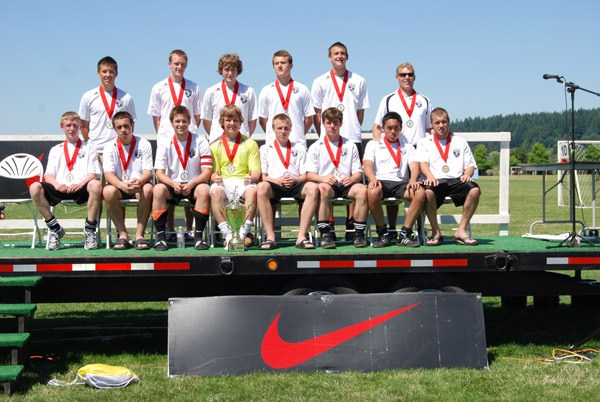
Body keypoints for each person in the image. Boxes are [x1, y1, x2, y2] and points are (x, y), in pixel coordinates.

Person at [311, 42, 369, 240]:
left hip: (351, 135)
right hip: (327, 138)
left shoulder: (359, 80)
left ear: (347, 57)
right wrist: (328, 128)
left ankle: (353, 228)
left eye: (343, 53)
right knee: (328, 184)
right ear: (329, 57)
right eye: (336, 53)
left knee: (351, 181)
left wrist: (349, 126)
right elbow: (318, 113)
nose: (339, 56)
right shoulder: (320, 81)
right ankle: (330, 228)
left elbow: (360, 112)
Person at [372, 62, 432, 240]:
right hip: (394, 147)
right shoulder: (388, 99)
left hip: (417, 152)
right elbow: (377, 126)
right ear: (396, 77)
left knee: (418, 190)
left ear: (414, 76)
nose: (407, 77)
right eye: (403, 74)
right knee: (393, 185)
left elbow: (430, 128)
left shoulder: (424, 100)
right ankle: (391, 230)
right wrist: (378, 145)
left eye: (410, 74)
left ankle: (418, 231)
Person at [148, 49, 202, 241]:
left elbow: (197, 116)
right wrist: (166, 135)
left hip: (188, 141)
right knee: (169, 186)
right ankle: (168, 230)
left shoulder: (194, 87)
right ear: (169, 64)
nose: (179, 67)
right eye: (176, 64)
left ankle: (190, 229)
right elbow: (157, 117)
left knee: (189, 182)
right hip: (168, 141)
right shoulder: (158, 87)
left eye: (183, 64)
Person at [29, 112, 102, 250]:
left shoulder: (89, 147)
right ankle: (54, 227)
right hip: (60, 188)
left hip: (81, 188)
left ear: (80, 126)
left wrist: (79, 184)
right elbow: (48, 175)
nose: (72, 129)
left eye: (75, 125)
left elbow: (94, 174)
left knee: (96, 185)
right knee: (34, 187)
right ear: (61, 127)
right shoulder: (56, 149)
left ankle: (90, 229)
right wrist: (57, 185)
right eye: (68, 125)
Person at [151, 105, 213, 251]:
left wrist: (192, 183)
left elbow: (207, 171)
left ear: (189, 122)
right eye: (177, 121)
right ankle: (161, 238)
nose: (181, 125)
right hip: (173, 184)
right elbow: (159, 173)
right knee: (158, 189)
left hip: (194, 184)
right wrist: (173, 183)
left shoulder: (201, 141)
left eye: (184, 121)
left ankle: (198, 237)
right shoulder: (164, 142)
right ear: (171, 122)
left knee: (205, 189)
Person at [416, 107, 480, 246]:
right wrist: (430, 176)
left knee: (474, 190)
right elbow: (423, 164)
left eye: (444, 122)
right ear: (431, 124)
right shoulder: (424, 142)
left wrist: (467, 175)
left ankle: (461, 231)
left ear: (449, 122)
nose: (441, 126)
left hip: (456, 180)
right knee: (427, 192)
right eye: (437, 122)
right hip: (436, 181)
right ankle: (436, 232)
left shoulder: (460, 142)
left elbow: (470, 165)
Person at [305, 107, 368, 249]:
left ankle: (358, 234)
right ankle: (325, 233)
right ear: (323, 123)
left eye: (335, 122)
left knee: (362, 190)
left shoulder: (350, 145)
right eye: (329, 122)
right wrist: (323, 178)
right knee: (322, 189)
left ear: (341, 123)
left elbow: (358, 172)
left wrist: (352, 179)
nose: (332, 126)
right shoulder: (316, 147)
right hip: (328, 184)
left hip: (347, 183)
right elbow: (309, 174)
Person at [257, 114, 318, 250]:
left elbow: (305, 175)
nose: (283, 131)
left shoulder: (299, 147)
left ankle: (301, 236)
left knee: (313, 188)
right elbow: (264, 176)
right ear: (273, 129)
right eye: (279, 128)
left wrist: (295, 180)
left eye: (286, 128)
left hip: (295, 183)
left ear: (290, 129)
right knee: (261, 187)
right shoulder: (265, 149)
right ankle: (270, 237)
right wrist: (277, 181)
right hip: (274, 184)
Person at [364, 112, 424, 248]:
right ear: (383, 128)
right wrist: (372, 178)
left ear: (401, 128)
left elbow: (414, 166)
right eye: (389, 128)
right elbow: (367, 164)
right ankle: (383, 234)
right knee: (372, 192)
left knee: (420, 193)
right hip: (381, 181)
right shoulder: (373, 144)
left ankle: (404, 234)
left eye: (396, 128)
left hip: (401, 183)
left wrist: (413, 179)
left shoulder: (407, 146)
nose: (393, 131)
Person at [210, 104, 261, 248]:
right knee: (215, 191)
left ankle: (242, 234)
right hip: (225, 182)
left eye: (235, 120)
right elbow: (212, 173)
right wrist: (215, 177)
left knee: (253, 190)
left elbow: (256, 171)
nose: (232, 123)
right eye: (228, 120)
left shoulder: (250, 143)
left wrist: (253, 177)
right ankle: (228, 234)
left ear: (240, 122)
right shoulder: (215, 145)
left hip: (243, 182)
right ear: (222, 122)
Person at [102, 111, 154, 250]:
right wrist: (121, 185)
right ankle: (123, 234)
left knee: (148, 188)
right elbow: (108, 174)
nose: (123, 130)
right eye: (119, 127)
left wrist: (140, 182)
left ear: (132, 125)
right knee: (107, 191)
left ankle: (139, 235)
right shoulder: (109, 147)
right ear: (115, 129)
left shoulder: (144, 144)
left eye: (126, 126)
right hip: (119, 186)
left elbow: (148, 172)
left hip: (139, 185)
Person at [78, 56, 136, 154]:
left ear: (116, 74)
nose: (108, 75)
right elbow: (83, 125)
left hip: (118, 150)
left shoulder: (126, 97)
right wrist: (91, 143)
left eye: (111, 72)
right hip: (95, 150)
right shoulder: (88, 96)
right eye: (104, 71)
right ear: (98, 73)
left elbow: (132, 124)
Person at [258, 50, 314, 147]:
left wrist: (299, 132)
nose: (279, 66)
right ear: (273, 67)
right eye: (276, 63)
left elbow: (309, 118)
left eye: (283, 63)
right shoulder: (266, 90)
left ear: (291, 66)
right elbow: (262, 119)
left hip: (297, 144)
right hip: (273, 144)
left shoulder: (302, 89)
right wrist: (273, 133)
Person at [202, 53, 258, 143]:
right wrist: (217, 135)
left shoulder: (248, 91)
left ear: (238, 71)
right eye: (226, 69)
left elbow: (252, 121)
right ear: (221, 70)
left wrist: (243, 136)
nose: (230, 73)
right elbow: (206, 121)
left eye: (233, 70)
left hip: (241, 143)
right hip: (218, 142)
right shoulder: (211, 92)